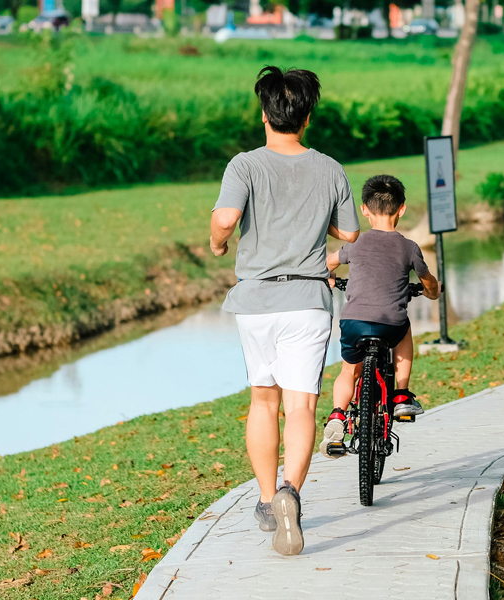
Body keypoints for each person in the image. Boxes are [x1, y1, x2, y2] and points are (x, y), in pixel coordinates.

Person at [209, 66, 359, 557]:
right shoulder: (330, 168)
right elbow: (351, 234)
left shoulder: (245, 165)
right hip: (309, 302)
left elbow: (226, 219)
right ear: (307, 117)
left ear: (264, 114)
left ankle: (269, 499)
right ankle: (293, 492)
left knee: (262, 401)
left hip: (257, 302)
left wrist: (218, 240)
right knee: (302, 404)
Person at [321, 175, 439, 459]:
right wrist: (432, 291)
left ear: (364, 210)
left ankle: (337, 416)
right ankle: (401, 394)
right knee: (405, 329)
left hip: (353, 322)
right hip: (391, 323)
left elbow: (327, 262)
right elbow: (428, 282)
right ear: (402, 209)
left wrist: (331, 277)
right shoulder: (409, 247)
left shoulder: (356, 245)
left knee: (349, 370)